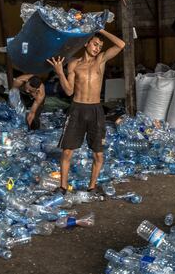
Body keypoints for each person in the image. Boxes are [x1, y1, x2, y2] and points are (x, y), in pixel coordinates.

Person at [47, 29, 125, 193]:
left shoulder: (101, 61)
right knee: (67, 151)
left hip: (96, 110)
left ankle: (92, 187)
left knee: (98, 154)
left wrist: (100, 29)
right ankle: (62, 187)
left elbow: (121, 44)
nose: (97, 48)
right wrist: (60, 73)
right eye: (95, 44)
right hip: (77, 109)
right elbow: (69, 91)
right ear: (86, 43)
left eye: (100, 46)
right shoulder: (74, 64)